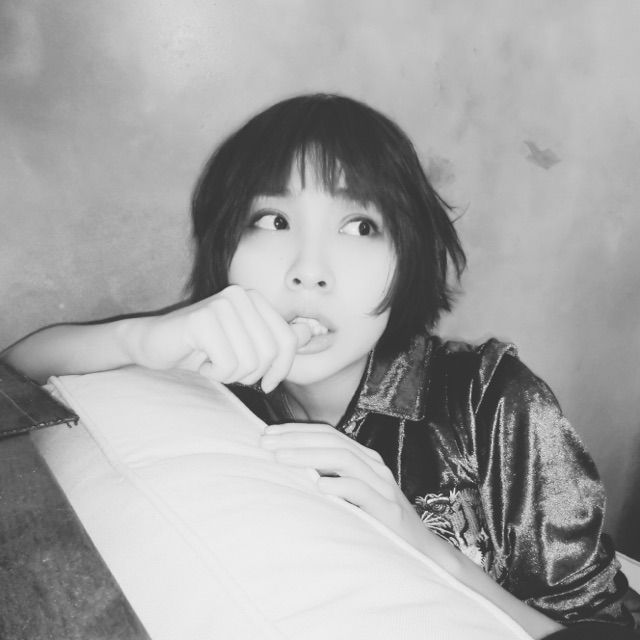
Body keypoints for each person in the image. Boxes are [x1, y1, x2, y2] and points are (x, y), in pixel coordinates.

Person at [3, 94, 638, 638]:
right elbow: (17, 377)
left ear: (408, 256)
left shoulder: (488, 401)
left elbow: (605, 626)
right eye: (273, 220)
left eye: (360, 226)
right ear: (225, 245)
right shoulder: (213, 380)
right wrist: (144, 338)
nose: (309, 271)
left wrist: (425, 547)